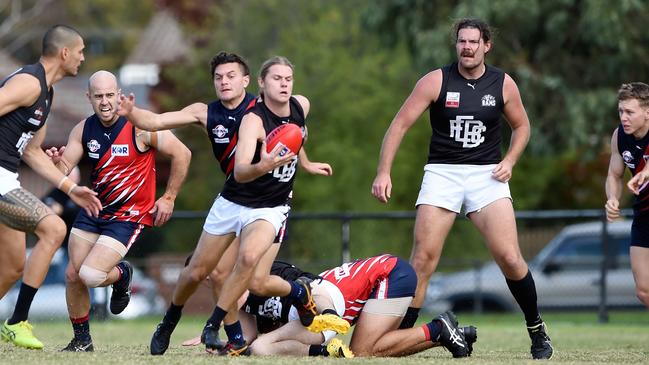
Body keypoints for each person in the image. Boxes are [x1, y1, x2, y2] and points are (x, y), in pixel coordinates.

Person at [118, 54, 339, 356]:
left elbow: (291, 131)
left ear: (248, 81)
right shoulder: (206, 112)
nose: (224, 81)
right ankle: (169, 322)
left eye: (231, 75)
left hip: (270, 205)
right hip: (232, 200)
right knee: (198, 272)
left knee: (252, 271)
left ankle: (226, 331)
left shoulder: (264, 106)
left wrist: (306, 161)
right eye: (219, 77)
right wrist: (130, 112)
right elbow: (156, 121)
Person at [371, 18, 553, 359]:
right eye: (461, 42)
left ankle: (536, 328)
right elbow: (399, 125)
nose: (466, 47)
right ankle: (402, 338)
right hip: (443, 173)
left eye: (473, 42)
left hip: (487, 176)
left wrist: (511, 160)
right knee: (422, 260)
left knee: (510, 258)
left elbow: (523, 126)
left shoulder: (502, 83)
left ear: (486, 45)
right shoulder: (436, 80)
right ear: (456, 45)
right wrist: (384, 172)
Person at [43, 70, 191, 352]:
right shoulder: (83, 129)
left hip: (128, 216)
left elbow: (183, 153)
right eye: (98, 96)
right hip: (95, 208)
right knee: (73, 274)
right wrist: (54, 164)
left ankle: (121, 274)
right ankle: (82, 340)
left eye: (110, 95)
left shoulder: (139, 124)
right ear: (89, 98)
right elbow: (64, 171)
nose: (105, 102)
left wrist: (169, 197)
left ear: (119, 94)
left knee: (91, 275)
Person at [0, 25, 101, 350]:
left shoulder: (48, 92)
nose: (83, 58)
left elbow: (31, 153)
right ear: (65, 53)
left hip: (9, 178)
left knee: (14, 266)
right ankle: (16, 323)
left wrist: (71, 189)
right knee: (54, 229)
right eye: (81, 50)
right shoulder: (29, 82)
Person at [250, 254, 476, 358]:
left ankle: (438, 328)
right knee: (379, 348)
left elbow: (311, 289)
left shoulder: (304, 297)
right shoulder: (248, 301)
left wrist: (327, 313)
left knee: (363, 351)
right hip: (387, 272)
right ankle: (447, 335)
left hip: (389, 273)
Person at [605, 82, 649, 309]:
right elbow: (614, 175)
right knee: (643, 290)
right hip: (643, 215)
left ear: (647, 112)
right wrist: (613, 198)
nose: (624, 117)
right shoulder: (620, 136)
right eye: (621, 111)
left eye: (630, 112)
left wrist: (646, 173)